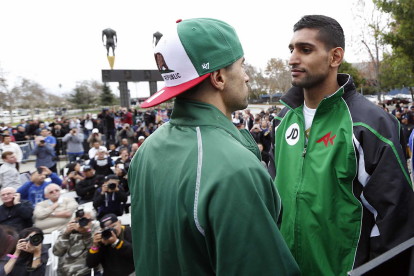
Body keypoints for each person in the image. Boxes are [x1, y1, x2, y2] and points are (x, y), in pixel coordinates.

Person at [128, 18, 299, 275]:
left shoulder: (146, 150)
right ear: (218, 77)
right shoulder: (234, 169)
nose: (247, 76)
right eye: (242, 66)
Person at [271, 15, 414, 275]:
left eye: (305, 50)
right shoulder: (281, 121)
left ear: (335, 57)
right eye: (291, 49)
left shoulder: (371, 125)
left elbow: (395, 222)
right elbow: (273, 201)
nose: (292, 58)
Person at [52, 209, 101, 276]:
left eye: (85, 220)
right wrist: (66, 234)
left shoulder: (96, 227)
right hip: (65, 272)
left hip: (86, 272)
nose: (82, 222)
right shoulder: (69, 228)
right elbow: (57, 252)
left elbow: (94, 252)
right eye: (79, 220)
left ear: (92, 220)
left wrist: (86, 233)